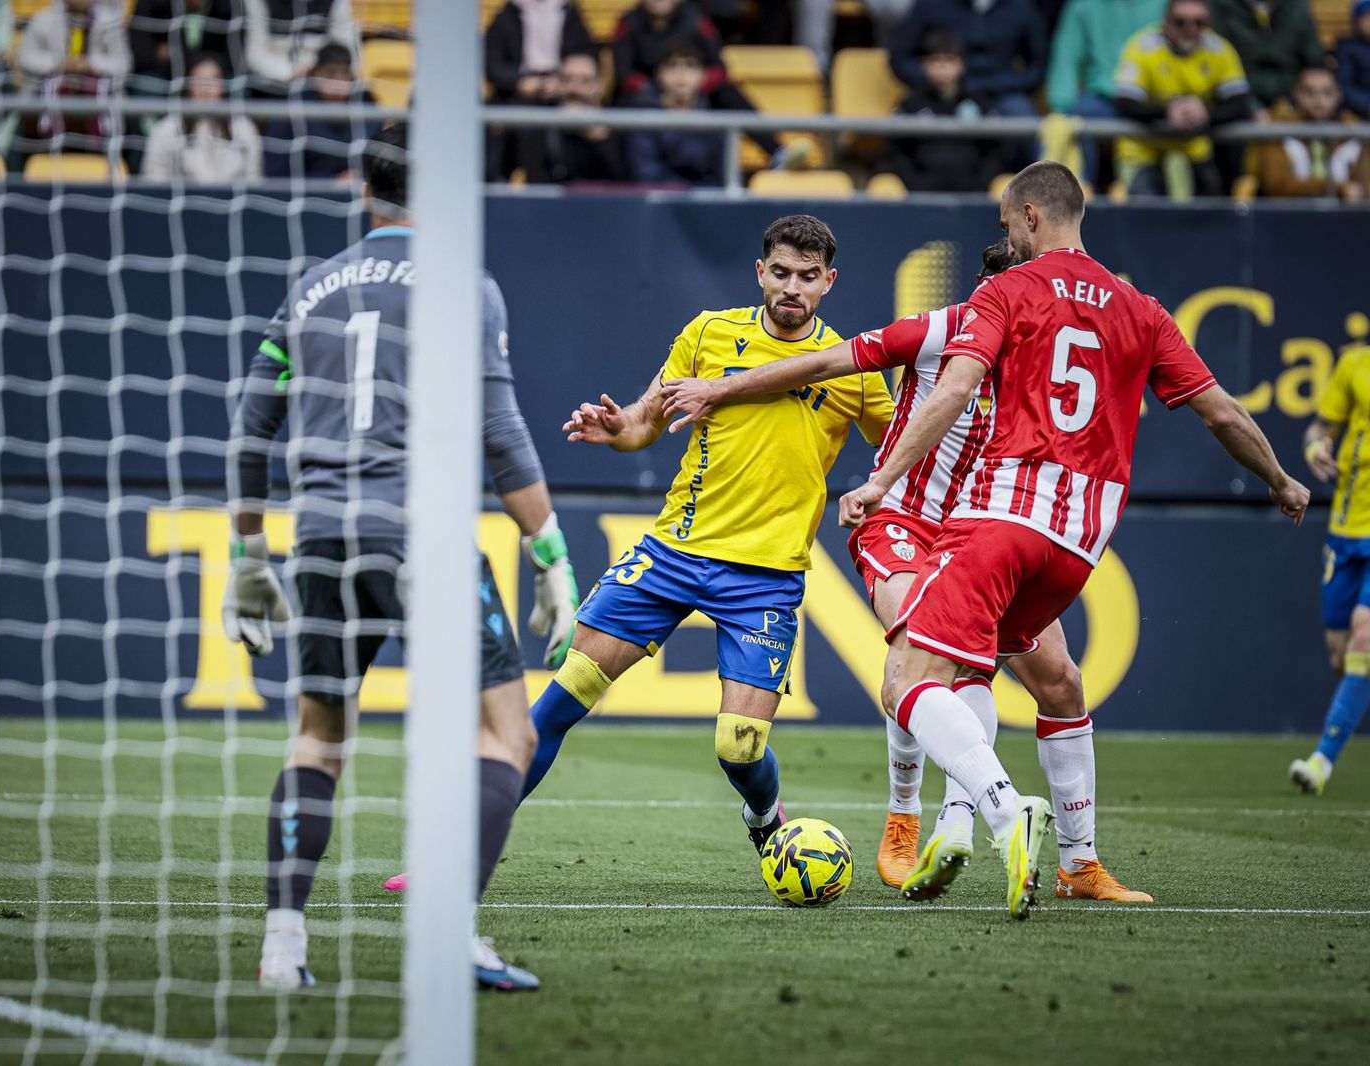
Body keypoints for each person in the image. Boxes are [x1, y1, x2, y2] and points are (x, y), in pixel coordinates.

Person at [839, 161, 1309, 917]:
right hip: (1080, 546)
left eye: (1005, 226)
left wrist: (877, 480)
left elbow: (957, 388)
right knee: (1058, 683)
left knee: (906, 679)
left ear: (1030, 215)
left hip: (1001, 521)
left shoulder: (1007, 290)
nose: (1007, 240)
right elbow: (1222, 412)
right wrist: (1281, 480)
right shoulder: (1141, 309)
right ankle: (1081, 863)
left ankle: (996, 808)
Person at [659, 240, 1155, 905]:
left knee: (1060, 682)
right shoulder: (951, 327)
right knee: (925, 653)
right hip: (904, 520)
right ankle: (910, 816)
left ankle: (1076, 861)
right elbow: (827, 360)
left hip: (986, 532)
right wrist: (720, 388)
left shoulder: (1051, 356)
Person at [224, 123, 580, 991]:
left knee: (317, 740)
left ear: (363, 188)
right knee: (507, 730)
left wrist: (246, 554)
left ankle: (282, 951)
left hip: (320, 538)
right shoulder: (465, 284)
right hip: (419, 536)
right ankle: (453, 936)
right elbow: (501, 433)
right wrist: (551, 555)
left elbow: (250, 430)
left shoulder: (309, 290)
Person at [523, 215, 894, 855]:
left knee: (739, 748)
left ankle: (765, 813)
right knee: (564, 697)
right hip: (673, 553)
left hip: (766, 576)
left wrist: (881, 491)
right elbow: (645, 421)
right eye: (780, 273)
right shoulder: (709, 332)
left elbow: (901, 447)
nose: (792, 288)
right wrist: (618, 431)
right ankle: (460, 851)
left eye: (808, 277)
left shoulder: (852, 370)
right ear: (760, 272)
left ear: (829, 282)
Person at [1291, 327, 1370, 793]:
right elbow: (1320, 428)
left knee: (1364, 637)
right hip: (1345, 529)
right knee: (1342, 654)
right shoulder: (1354, 364)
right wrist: (1314, 448)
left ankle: (1321, 761)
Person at [612, 0, 787, 165]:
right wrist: (660, 89)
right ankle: (620, 178)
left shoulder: (696, 18)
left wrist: (692, 84)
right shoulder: (628, 22)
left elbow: (720, 69)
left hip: (695, 92)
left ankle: (779, 154)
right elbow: (623, 74)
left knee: (728, 94)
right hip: (649, 94)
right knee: (622, 106)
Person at [1113, 0, 1254, 197]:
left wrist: (1206, 114)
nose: (1190, 29)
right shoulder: (1141, 47)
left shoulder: (1219, 49)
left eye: (1199, 22)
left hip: (1193, 150)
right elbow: (1125, 103)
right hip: (1143, 151)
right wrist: (1167, 112)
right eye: (1180, 22)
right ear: (1166, 22)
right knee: (1147, 212)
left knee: (1206, 212)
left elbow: (1239, 102)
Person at [1044, 0, 1167, 185]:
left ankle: (1141, 191)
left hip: (1154, 100)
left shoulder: (1166, 5)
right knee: (1070, 123)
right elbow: (1067, 58)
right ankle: (1076, 195)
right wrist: (1061, 110)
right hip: (1102, 100)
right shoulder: (1083, 7)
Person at [888, 0, 1051, 120]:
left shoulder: (1021, 7)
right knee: (912, 115)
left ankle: (1016, 168)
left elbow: (1038, 65)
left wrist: (1010, 84)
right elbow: (899, 56)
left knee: (1022, 117)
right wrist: (929, 76)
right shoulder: (931, 5)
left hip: (1002, 93)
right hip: (942, 93)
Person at [887, 31, 1003, 193]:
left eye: (949, 60)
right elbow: (898, 150)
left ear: (962, 65)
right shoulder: (910, 104)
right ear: (924, 65)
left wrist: (981, 183)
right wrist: (914, 183)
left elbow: (995, 148)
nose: (942, 67)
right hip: (921, 193)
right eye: (935, 60)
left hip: (973, 192)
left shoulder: (979, 102)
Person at [18, 0, 132, 155]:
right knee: (19, 124)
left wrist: (90, 64)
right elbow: (25, 58)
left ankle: (105, 158)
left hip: (99, 97)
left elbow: (124, 64)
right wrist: (59, 65)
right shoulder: (43, 19)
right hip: (46, 95)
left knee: (130, 121)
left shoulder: (109, 22)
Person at [263, 42, 376, 181]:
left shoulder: (366, 105)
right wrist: (330, 182)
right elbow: (276, 174)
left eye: (345, 74)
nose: (338, 84)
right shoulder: (293, 109)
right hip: (306, 197)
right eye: (329, 75)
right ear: (314, 74)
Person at [141, 54, 261, 183]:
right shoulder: (168, 128)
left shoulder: (243, 127)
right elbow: (154, 178)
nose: (206, 88)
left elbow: (253, 178)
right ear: (188, 86)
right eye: (199, 80)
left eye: (214, 80)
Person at [515, 51, 629, 184]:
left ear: (600, 85)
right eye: (566, 79)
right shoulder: (538, 128)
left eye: (585, 81)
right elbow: (539, 187)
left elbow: (623, 184)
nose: (574, 89)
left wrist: (597, 138)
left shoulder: (621, 125)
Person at [1254, 66, 1367, 200]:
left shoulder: (1356, 132)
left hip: (1346, 216)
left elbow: (1365, 186)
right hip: (1292, 215)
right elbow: (1277, 186)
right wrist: (1336, 188)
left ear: (1339, 95)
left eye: (1327, 92)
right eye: (1309, 92)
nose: (1319, 100)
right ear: (1296, 94)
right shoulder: (1277, 131)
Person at [626, 41, 729, 185]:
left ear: (704, 75)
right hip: (659, 203)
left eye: (690, 65)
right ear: (659, 75)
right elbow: (647, 174)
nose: (681, 74)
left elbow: (723, 178)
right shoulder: (643, 120)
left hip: (706, 203)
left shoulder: (716, 125)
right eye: (671, 65)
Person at [1210, 0, 1326, 109]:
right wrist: (1251, 108)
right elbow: (1217, 62)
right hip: (1239, 97)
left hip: (1293, 98)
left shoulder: (1296, 7)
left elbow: (1314, 61)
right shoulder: (1222, 6)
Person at [485, 0, 597, 105]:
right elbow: (492, 66)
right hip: (514, 93)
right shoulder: (507, 16)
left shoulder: (570, 14)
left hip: (562, 92)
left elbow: (585, 57)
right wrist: (518, 82)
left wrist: (562, 81)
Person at [245, 0, 358, 97]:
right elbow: (255, 55)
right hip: (273, 86)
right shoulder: (256, 2)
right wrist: (290, 74)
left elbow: (346, 49)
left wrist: (318, 73)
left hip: (323, 85)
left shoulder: (337, 2)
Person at [128, 0, 244, 93]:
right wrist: (193, 67)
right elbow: (141, 55)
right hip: (166, 74)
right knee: (147, 83)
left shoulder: (230, 5)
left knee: (236, 86)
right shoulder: (154, 4)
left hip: (215, 75)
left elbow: (236, 57)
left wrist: (176, 55)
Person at [1336, 0, 1370, 119]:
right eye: (1367, 18)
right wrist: (1366, 104)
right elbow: (1344, 86)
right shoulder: (1347, 48)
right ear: (1356, 21)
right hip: (1361, 111)